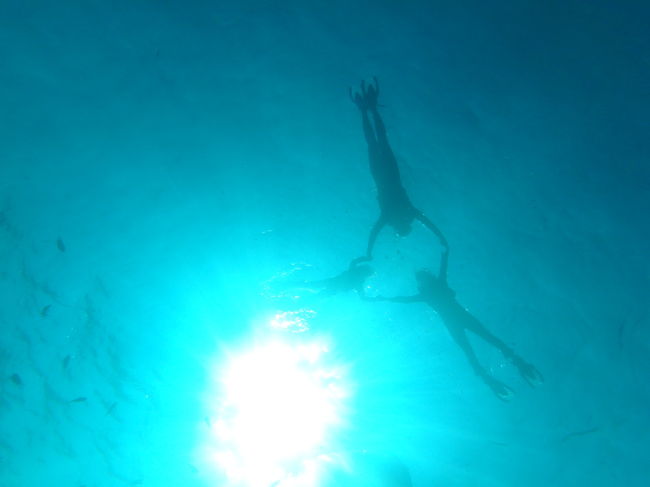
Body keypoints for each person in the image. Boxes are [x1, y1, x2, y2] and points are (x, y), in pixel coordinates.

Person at [369, 249, 543, 401]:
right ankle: (503, 368)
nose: (421, 282)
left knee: (479, 344)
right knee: (479, 344)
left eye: (421, 279)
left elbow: (410, 296)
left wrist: (445, 255)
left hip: (456, 322)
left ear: (424, 280)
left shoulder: (432, 289)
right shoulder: (432, 290)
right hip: (461, 319)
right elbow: (407, 298)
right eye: (420, 280)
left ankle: (505, 366)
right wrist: (445, 254)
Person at [349, 78, 448, 265]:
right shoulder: (393, 216)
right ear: (399, 227)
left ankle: (371, 109)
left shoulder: (407, 213)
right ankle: (365, 110)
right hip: (380, 175)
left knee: (382, 142)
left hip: (391, 173)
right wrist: (368, 252)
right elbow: (374, 233)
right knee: (373, 144)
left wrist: (442, 238)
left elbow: (429, 224)